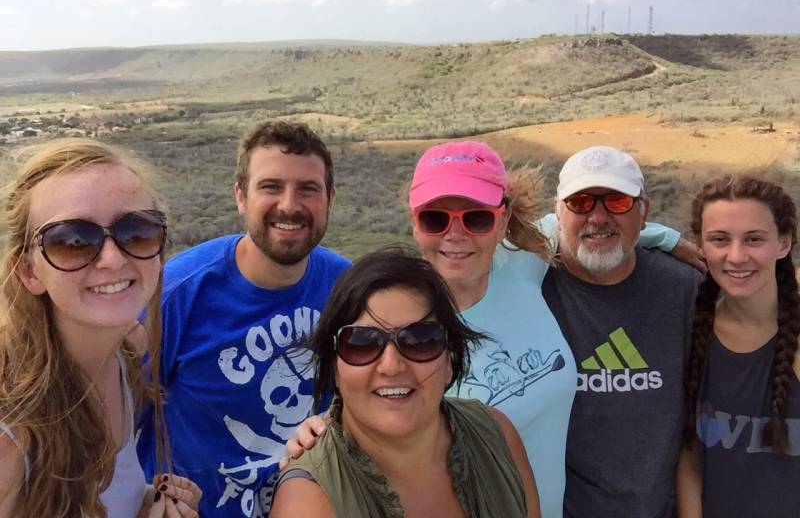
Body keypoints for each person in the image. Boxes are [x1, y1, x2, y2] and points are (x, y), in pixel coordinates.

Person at [286, 141, 690, 517]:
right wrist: (326, 426)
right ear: (414, 223)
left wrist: (671, 239)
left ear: (503, 221)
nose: (455, 234)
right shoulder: (402, 317)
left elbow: (583, 225)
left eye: (477, 218)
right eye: (435, 218)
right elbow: (376, 386)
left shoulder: (525, 262)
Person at [136, 122, 351, 517]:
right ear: (241, 197)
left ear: (329, 199)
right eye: (270, 187)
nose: (289, 204)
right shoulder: (177, 295)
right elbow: (110, 426)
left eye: (308, 188)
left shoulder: (346, 288)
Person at [0, 139, 201, 518]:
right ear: (29, 272)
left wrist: (146, 506)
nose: (112, 258)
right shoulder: (10, 436)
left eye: (137, 231)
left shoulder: (125, 353)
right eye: (72, 241)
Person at [271, 247, 541, 518]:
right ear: (335, 368)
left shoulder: (496, 435)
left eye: (420, 340)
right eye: (361, 344)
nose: (391, 366)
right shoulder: (308, 502)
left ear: (450, 359)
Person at [542, 145, 703, 517]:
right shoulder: (529, 288)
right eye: (580, 202)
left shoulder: (685, 289)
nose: (597, 217)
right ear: (557, 212)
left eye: (616, 202)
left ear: (643, 212)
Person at [676, 175, 800, 517]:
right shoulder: (692, 334)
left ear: (784, 243)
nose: (736, 256)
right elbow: (689, 454)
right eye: (719, 239)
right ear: (699, 244)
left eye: (754, 239)